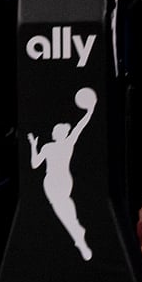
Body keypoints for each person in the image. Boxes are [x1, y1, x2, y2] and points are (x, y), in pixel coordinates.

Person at [26, 88, 96, 261]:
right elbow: (35, 164)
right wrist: (33, 146)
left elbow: (80, 126)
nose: (55, 132)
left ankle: (78, 234)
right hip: (50, 181)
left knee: (64, 208)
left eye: (58, 131)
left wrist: (91, 110)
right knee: (61, 209)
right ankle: (78, 235)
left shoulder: (68, 143)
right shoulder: (47, 147)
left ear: (62, 133)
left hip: (64, 180)